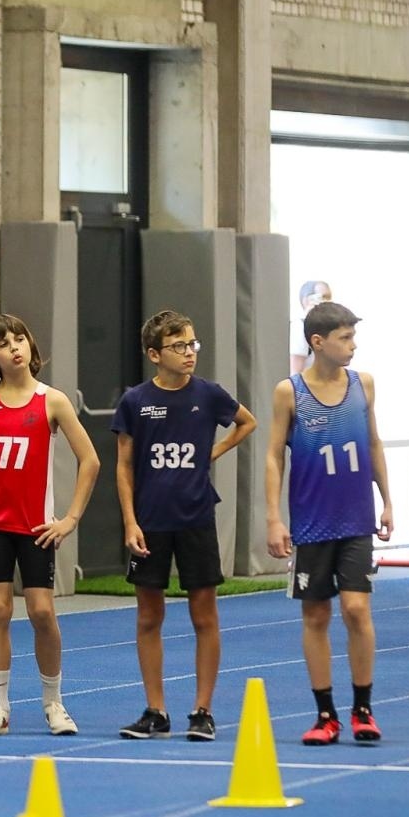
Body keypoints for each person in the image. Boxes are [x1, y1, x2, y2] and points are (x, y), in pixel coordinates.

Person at [0, 314, 100, 737]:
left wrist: (70, 519)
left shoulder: (52, 401)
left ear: (31, 346)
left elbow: (90, 460)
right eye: (3, 343)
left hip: (36, 527)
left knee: (42, 611)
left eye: (19, 339)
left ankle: (54, 703)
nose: (14, 348)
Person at [114, 310, 256, 740]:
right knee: (148, 616)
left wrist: (213, 452)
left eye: (192, 344)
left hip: (196, 517)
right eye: (178, 346)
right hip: (151, 520)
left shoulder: (209, 395)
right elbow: (123, 466)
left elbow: (247, 422)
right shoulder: (136, 401)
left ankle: (202, 710)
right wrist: (130, 522)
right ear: (155, 354)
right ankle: (155, 709)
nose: (189, 353)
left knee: (204, 614)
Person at [264, 301, 393, 745]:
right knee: (316, 614)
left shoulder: (363, 385)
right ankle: (325, 714)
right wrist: (273, 517)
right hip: (312, 522)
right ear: (318, 342)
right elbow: (273, 456)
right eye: (345, 338)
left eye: (354, 337)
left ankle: (363, 709)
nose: (353, 346)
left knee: (357, 609)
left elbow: (373, 444)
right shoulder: (290, 392)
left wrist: (388, 501)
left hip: (356, 518)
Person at [289, 280, 332, 374]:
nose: (328, 302)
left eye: (329, 298)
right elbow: (295, 373)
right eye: (323, 297)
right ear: (306, 300)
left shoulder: (323, 326)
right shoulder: (300, 326)